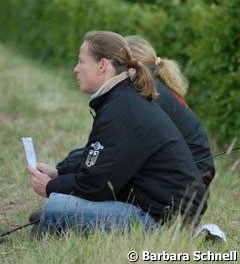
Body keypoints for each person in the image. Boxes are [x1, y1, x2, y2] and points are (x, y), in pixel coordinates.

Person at [28, 30, 206, 236]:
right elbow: (100, 164)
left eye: (81, 61)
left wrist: (50, 187)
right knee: (60, 205)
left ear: (102, 65)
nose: (76, 69)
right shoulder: (122, 99)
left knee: (56, 207)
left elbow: (97, 186)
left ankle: (55, 222)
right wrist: (60, 174)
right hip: (164, 211)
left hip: (162, 222)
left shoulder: (121, 108)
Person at [125, 35, 215, 188]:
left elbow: (136, 146)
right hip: (190, 173)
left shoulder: (152, 94)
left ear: (133, 65)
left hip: (191, 180)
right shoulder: (155, 86)